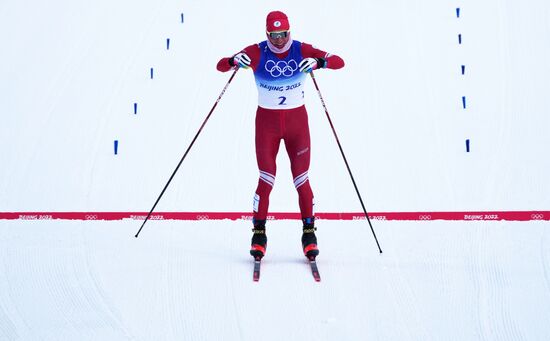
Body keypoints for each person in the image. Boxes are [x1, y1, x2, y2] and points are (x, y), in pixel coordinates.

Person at [217, 10, 344, 260]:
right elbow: (220, 65)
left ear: (289, 31)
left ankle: (309, 234)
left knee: (302, 180)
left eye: (282, 34)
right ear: (267, 34)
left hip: (298, 126)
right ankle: (259, 234)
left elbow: (339, 60)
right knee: (266, 180)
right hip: (267, 126)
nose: (278, 40)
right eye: (273, 36)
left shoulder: (301, 49)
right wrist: (234, 60)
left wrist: (321, 62)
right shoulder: (256, 52)